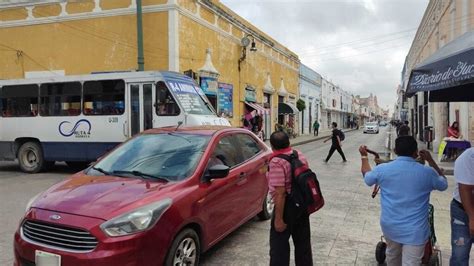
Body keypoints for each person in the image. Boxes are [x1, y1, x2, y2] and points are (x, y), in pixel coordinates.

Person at [359, 136, 447, 265]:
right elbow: (443, 184)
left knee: (392, 257)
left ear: (395, 150)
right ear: (415, 152)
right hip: (415, 231)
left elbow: (367, 178)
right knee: (411, 262)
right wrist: (431, 161)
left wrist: (364, 157)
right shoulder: (427, 173)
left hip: (390, 227)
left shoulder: (383, 169)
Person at [267, 131, 313, 266]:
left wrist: (279, 219)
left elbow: (280, 193)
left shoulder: (276, 162)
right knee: (303, 246)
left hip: (286, 207)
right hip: (302, 205)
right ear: (289, 143)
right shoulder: (299, 155)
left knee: (279, 248)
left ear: (272, 145)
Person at [450, 147, 474, 266]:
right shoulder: (468, 158)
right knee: (460, 255)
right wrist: (472, 218)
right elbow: (465, 189)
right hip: (462, 210)